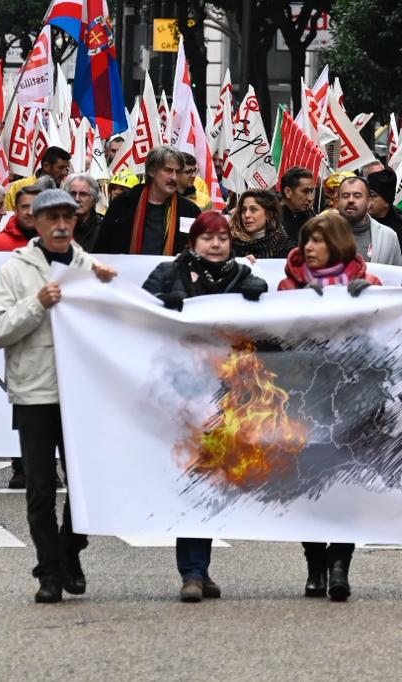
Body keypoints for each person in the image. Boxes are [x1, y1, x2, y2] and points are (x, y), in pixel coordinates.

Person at [0, 188, 118, 603]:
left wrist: (112, 294)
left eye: (68, 217)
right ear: (36, 223)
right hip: (35, 393)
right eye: (52, 218)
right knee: (41, 488)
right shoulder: (14, 271)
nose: (61, 225)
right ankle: (49, 572)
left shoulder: (91, 270)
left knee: (84, 486)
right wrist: (36, 304)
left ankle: (68, 550)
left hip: (81, 396)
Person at [141, 210, 267, 603]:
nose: (216, 244)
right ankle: (192, 571)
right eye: (208, 238)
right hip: (181, 393)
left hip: (225, 394)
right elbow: (134, 311)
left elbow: (267, 309)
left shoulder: (240, 278)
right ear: (192, 242)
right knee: (192, 478)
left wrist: (258, 289)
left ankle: (200, 568)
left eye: (223, 238)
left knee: (211, 480)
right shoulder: (168, 273)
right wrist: (163, 302)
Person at [278, 211, 381, 602]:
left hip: (351, 399)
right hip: (305, 398)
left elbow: (386, 331)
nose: (310, 247)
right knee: (309, 481)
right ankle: (314, 564)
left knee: (345, 482)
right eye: (307, 240)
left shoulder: (368, 284)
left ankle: (340, 565)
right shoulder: (289, 285)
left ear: (337, 242)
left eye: (319, 240)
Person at [94, 147, 199, 255]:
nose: (174, 177)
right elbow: (102, 247)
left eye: (177, 172)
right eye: (168, 170)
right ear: (152, 171)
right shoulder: (123, 203)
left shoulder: (189, 211)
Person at [334, 175, 402, 266]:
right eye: (345, 196)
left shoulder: (389, 236)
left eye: (357, 196)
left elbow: (396, 276)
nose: (350, 200)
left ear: (369, 201)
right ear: (338, 201)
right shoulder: (322, 233)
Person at [365, 169, 402, 262]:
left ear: (386, 202)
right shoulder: (360, 222)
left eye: (373, 195)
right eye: (366, 194)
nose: (367, 200)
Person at [230, 188, 293, 260]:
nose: (247, 215)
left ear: (269, 214)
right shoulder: (231, 246)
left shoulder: (286, 249)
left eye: (253, 210)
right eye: (244, 210)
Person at [5, 147, 74, 209]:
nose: (64, 172)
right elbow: (9, 217)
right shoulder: (19, 187)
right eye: (61, 168)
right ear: (46, 166)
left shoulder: (67, 190)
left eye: (66, 168)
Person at [0, 182, 45, 252]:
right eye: (25, 207)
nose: (30, 212)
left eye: (35, 206)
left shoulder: (55, 242)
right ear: (15, 209)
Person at [64, 174, 104, 250]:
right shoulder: (58, 226)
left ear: (93, 199)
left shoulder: (103, 229)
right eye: (73, 193)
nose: (77, 199)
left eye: (83, 194)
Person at [277, 166, 317, 242]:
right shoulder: (273, 223)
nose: (310, 198)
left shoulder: (310, 219)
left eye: (311, 192)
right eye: (305, 191)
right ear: (288, 192)